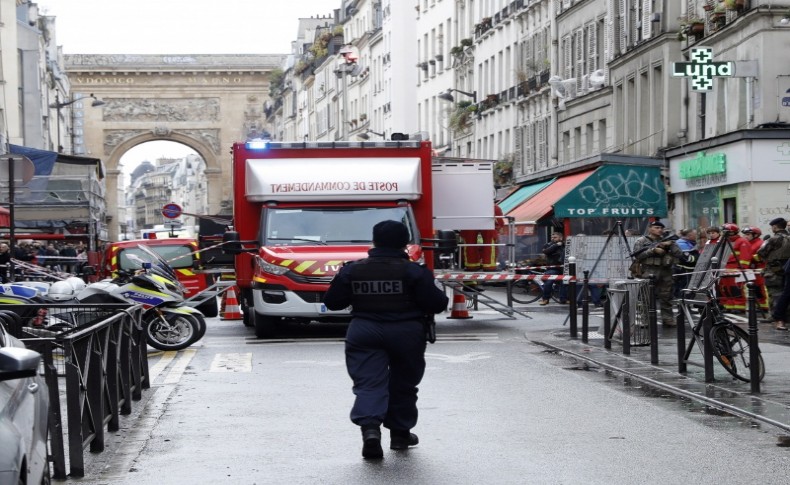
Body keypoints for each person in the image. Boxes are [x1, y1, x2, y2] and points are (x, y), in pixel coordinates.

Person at [323, 220, 449, 459]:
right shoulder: (414, 271)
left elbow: (333, 302)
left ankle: (370, 430)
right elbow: (438, 303)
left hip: (365, 329)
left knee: (369, 383)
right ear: (404, 243)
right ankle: (400, 434)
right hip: (407, 331)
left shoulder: (353, 269)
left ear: (374, 241)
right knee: (403, 383)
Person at [632, 221, 689, 327]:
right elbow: (637, 256)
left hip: (665, 271)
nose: (659, 230)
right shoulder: (641, 241)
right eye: (656, 227)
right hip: (648, 270)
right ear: (650, 229)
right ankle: (645, 320)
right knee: (646, 296)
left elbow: (679, 254)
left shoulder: (669, 240)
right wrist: (653, 250)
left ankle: (667, 318)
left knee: (666, 296)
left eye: (661, 228)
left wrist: (671, 245)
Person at [757, 217, 790, 330]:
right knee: (785, 294)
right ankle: (784, 317)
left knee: (775, 294)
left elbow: (761, 252)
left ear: (775, 227)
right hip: (786, 270)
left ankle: (775, 316)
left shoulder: (773, 239)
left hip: (773, 271)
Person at [718, 223, 754, 311]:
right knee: (726, 288)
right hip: (726, 268)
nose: (722, 233)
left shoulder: (742, 241)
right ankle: (729, 306)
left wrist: (741, 269)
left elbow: (745, 257)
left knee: (736, 289)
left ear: (730, 233)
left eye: (724, 232)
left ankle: (739, 306)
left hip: (736, 269)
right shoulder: (726, 241)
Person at [459, 203, 504, 271]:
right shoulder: (493, 207)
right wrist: (499, 228)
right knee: (489, 243)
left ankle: (472, 265)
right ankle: (489, 266)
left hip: (469, 221)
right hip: (488, 224)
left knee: (469, 242)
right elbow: (500, 222)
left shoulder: (466, 206)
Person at [539, 231, 567, 305]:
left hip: (563, 268)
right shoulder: (548, 245)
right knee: (549, 282)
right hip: (552, 268)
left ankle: (563, 299)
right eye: (552, 237)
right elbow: (546, 251)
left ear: (560, 238)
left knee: (565, 283)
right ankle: (545, 299)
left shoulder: (565, 245)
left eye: (555, 237)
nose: (553, 239)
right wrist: (556, 245)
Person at [673, 228, 699, 297]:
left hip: (687, 270)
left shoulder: (688, 242)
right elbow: (687, 258)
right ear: (690, 235)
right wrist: (698, 257)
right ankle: (682, 305)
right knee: (683, 289)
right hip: (684, 270)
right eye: (695, 234)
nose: (696, 236)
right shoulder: (682, 244)